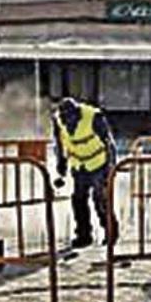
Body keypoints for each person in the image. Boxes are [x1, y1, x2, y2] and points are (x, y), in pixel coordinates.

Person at [52, 97, 119, 248]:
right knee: (78, 199)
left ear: (77, 113)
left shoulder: (94, 117)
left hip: (99, 164)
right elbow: (60, 144)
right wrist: (61, 167)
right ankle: (84, 235)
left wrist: (111, 168)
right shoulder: (58, 121)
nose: (68, 123)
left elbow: (109, 143)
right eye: (64, 119)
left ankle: (110, 233)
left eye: (70, 119)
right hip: (79, 166)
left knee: (100, 200)